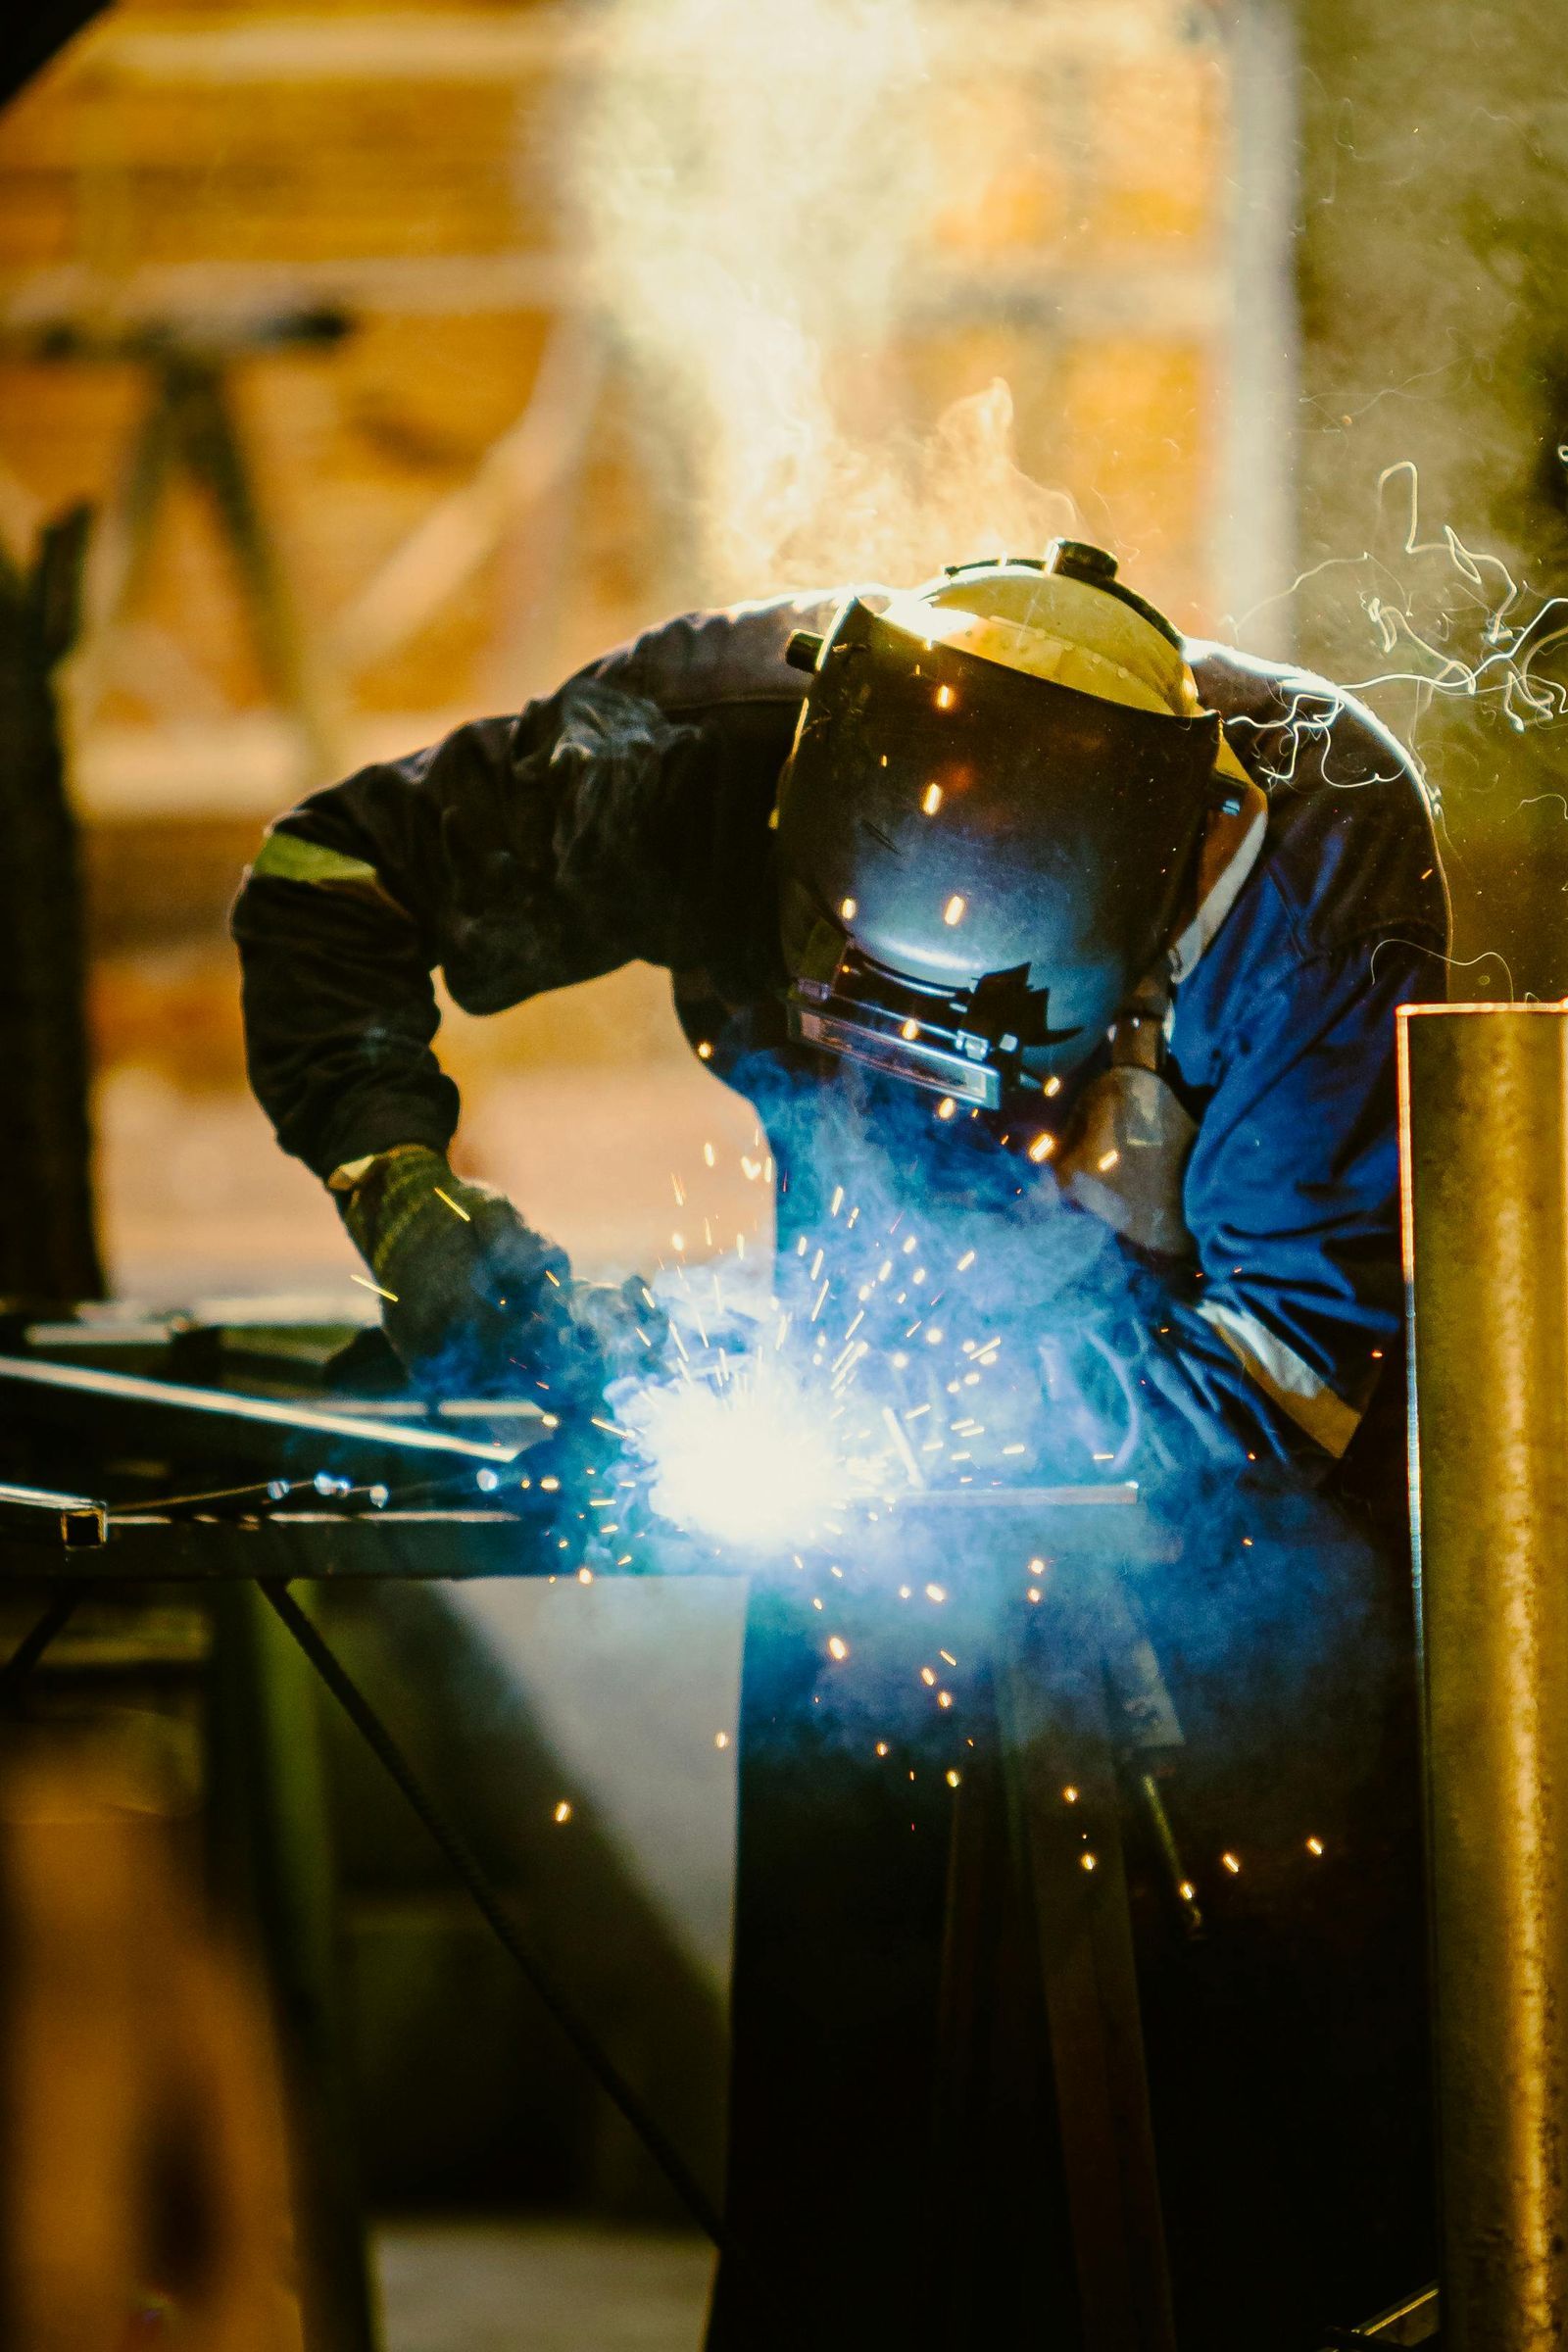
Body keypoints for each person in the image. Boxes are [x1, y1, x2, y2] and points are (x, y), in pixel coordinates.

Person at [232, 539, 1450, 2348]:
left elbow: (1280, 1372)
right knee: (858, 2152)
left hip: (1235, 1558)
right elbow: (332, 873)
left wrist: (912, 1426)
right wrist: (399, 1187)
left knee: (1253, 2174)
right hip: (852, 1505)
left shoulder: (1310, 843)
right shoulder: (711, 745)